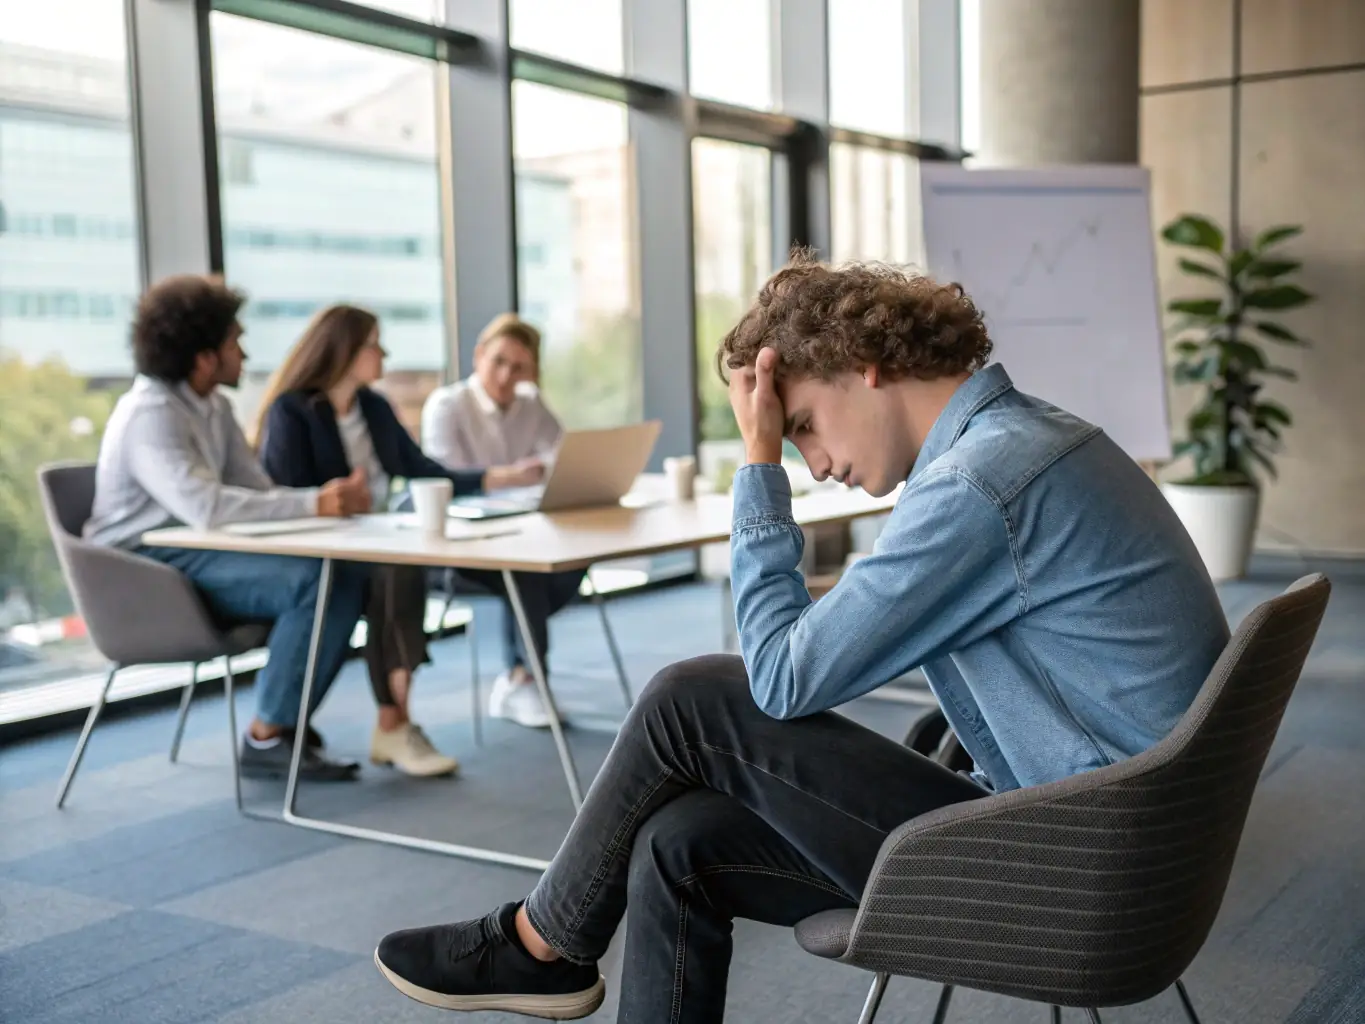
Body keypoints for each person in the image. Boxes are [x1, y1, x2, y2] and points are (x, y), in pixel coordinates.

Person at [373, 254, 1231, 1022]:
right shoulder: (1028, 439)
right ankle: (543, 946)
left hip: (1079, 872)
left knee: (693, 698)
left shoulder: (980, 484)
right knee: (679, 845)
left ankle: (539, 944)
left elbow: (780, 678)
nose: (814, 464)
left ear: (866, 369)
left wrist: (756, 470)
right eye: (789, 444)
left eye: (806, 426)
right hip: (1124, 848)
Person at [84, 274, 372, 782]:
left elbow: (255, 489)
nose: (245, 352)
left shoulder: (213, 407)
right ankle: (269, 735)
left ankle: (282, 723)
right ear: (204, 357)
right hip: (144, 569)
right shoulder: (150, 414)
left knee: (344, 572)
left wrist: (322, 504)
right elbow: (208, 508)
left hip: (197, 552)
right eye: (235, 340)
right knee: (315, 580)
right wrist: (315, 505)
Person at [252, 304, 543, 777]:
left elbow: (423, 470)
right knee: (393, 574)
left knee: (398, 567)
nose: (383, 352)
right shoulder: (294, 411)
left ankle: (395, 722)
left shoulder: (374, 407)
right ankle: (394, 724)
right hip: (319, 549)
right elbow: (291, 494)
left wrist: (497, 478)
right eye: (374, 343)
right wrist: (340, 501)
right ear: (345, 350)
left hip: (375, 539)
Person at [421, 313, 585, 730]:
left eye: (518, 367)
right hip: (457, 548)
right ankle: (526, 676)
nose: (506, 375)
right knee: (527, 572)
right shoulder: (447, 404)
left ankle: (519, 672)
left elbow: (563, 458)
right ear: (478, 356)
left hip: (516, 531)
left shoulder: (531, 405)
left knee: (573, 554)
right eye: (498, 362)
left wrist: (530, 473)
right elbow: (444, 480)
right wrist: (510, 475)